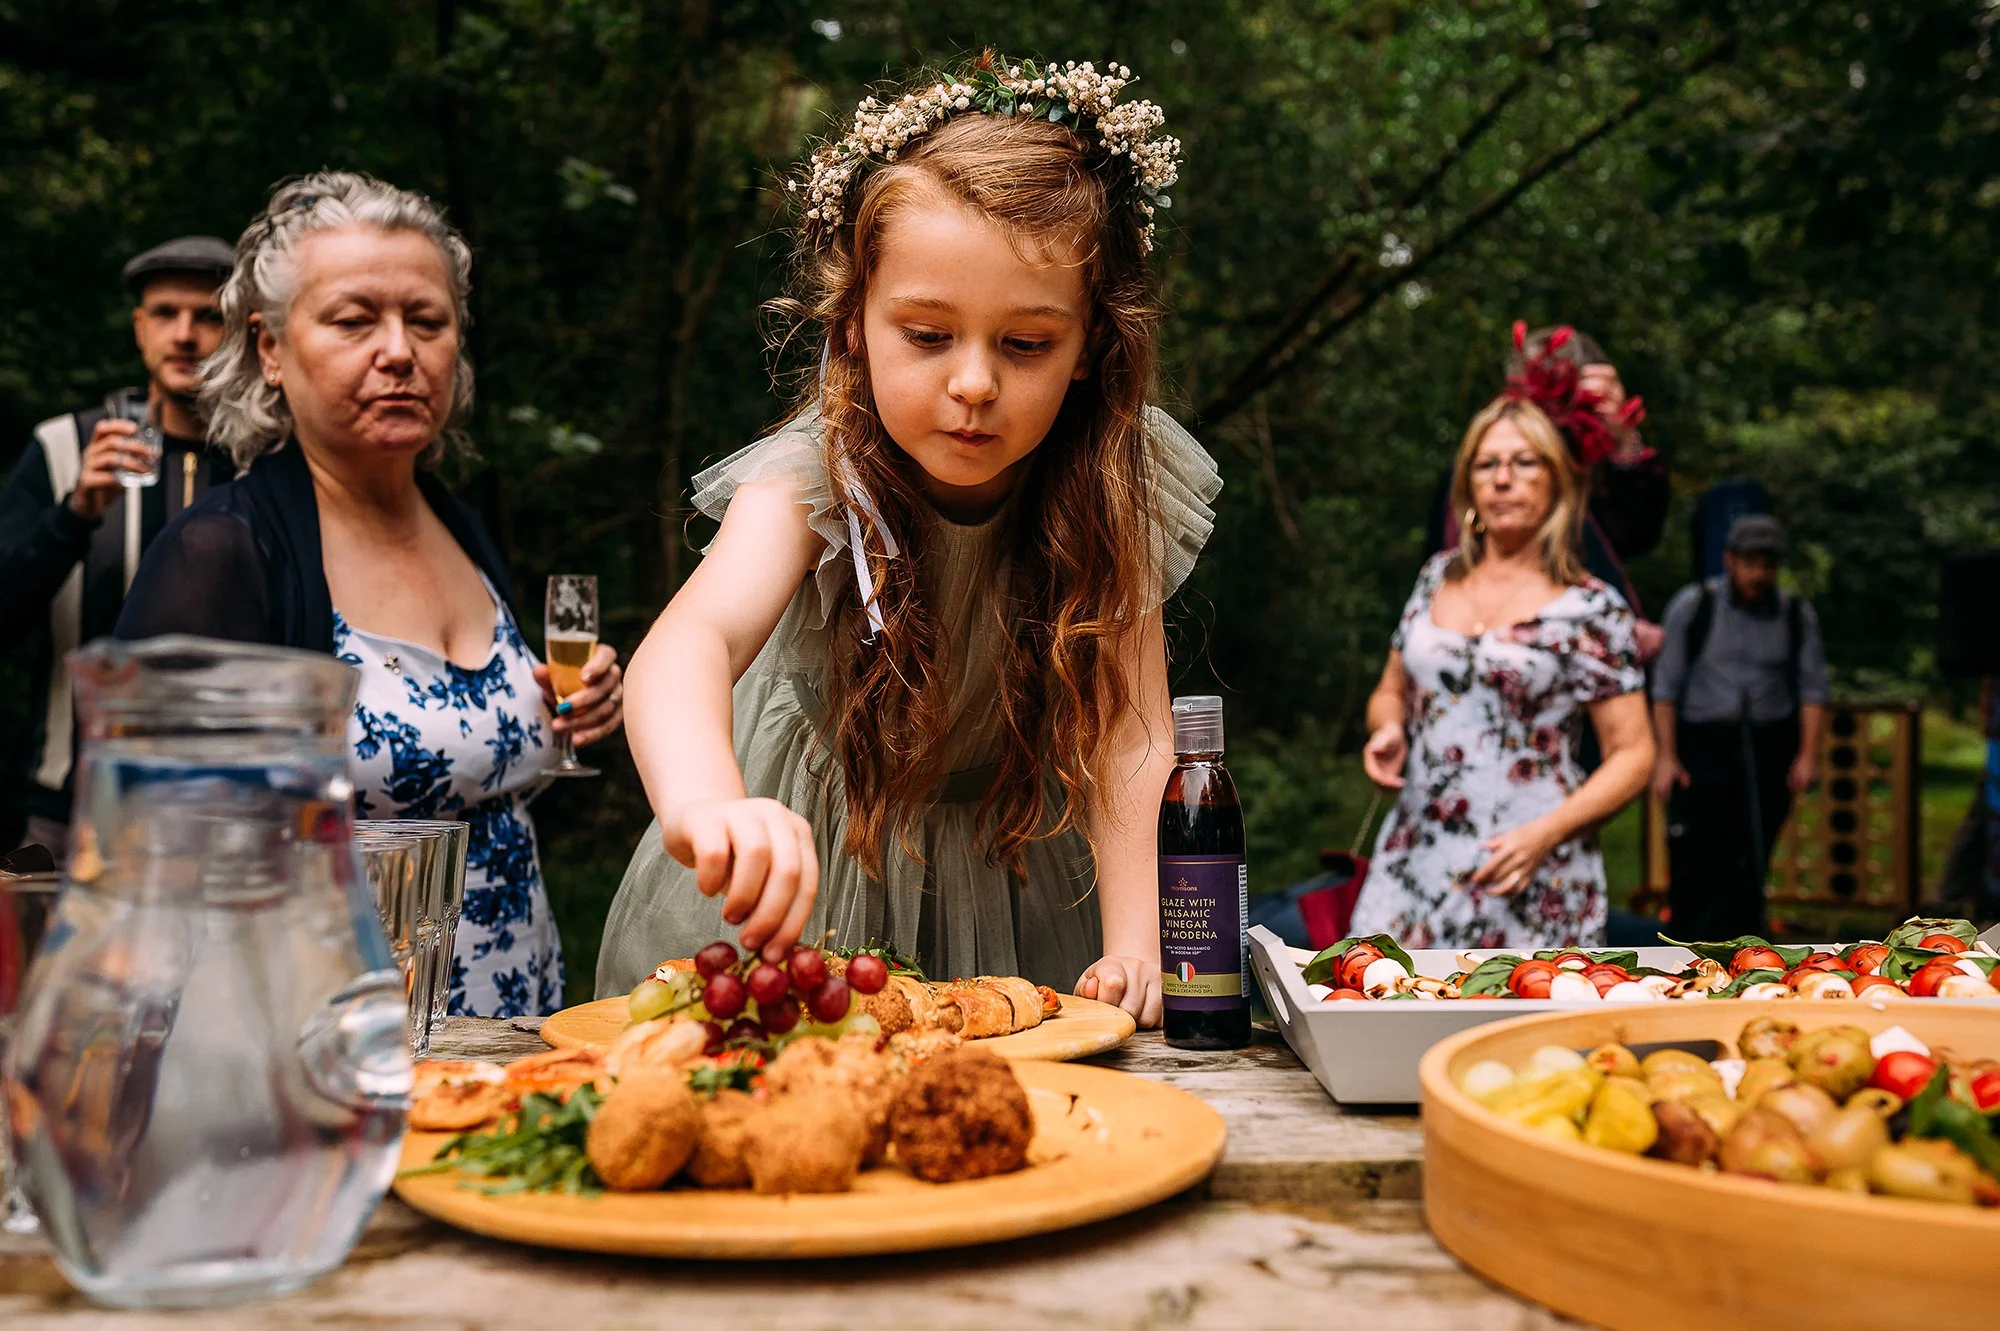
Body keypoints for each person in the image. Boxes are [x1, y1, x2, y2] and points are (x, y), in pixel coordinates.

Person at [594, 58, 1214, 1028]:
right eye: (927, 334)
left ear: (1090, 343)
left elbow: (1129, 732)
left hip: (1015, 878)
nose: (972, 382)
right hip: (805, 879)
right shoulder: (814, 473)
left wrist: (1137, 938)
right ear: (852, 327)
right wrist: (708, 804)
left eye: (1023, 345)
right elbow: (690, 642)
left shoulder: (1108, 487)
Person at [113, 172, 625, 1018]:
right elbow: (143, 848)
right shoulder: (224, 553)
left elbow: (471, 749)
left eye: (427, 321)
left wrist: (566, 707)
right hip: (328, 1051)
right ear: (270, 347)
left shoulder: (458, 523)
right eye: (354, 320)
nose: (400, 350)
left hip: (518, 1026)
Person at [1352, 369, 1655, 949]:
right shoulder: (1434, 580)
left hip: (1531, 866)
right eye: (1486, 465)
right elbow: (1391, 690)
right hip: (1416, 859)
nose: (1503, 480)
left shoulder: (1591, 609)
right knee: (1380, 1012)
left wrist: (1545, 834)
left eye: (1524, 463)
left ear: (1557, 483)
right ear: (1466, 485)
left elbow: (1634, 754)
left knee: (1523, 1030)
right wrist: (1387, 729)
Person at [0, 236, 236, 860]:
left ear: (244, 332)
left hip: (230, 816)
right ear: (139, 327)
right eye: (165, 313)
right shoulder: (63, 449)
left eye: (208, 316)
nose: (184, 335)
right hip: (70, 809)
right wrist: (74, 514)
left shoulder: (270, 467)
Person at [1426, 325, 1667, 658]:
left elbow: (1634, 534)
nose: (1503, 478)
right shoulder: (1486, 479)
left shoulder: (1581, 470)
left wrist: (1623, 440)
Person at [1649, 514, 1830, 939]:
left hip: (1768, 744)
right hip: (1703, 745)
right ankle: (1689, 944)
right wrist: (1666, 756)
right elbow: (1666, 686)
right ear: (1729, 560)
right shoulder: (1695, 607)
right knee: (1696, 854)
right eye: (1750, 563)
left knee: (1750, 853)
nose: (1759, 574)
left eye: (1768, 564)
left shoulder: (1794, 614)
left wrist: (1807, 755)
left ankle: (1746, 944)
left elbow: (1813, 688)